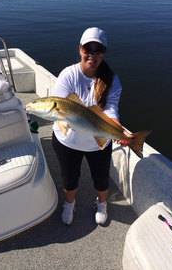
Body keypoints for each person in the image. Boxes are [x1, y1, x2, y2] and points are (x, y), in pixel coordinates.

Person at [52, 27, 133, 225]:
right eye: (88, 48)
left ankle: (102, 203)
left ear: (104, 53)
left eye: (99, 50)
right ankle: (69, 203)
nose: (92, 54)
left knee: (101, 177)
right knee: (69, 178)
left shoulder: (112, 80)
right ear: (80, 49)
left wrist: (117, 129)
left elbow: (110, 109)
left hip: (98, 141)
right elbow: (61, 109)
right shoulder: (68, 75)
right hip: (68, 141)